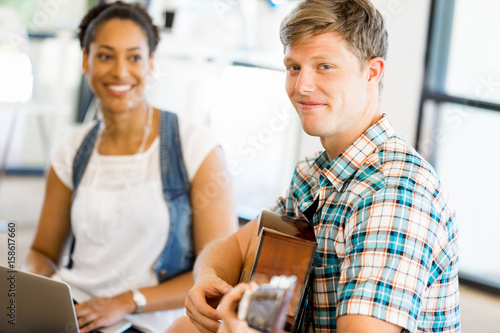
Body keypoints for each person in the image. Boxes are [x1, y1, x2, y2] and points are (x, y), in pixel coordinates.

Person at [181, 0, 460, 332]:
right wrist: (209, 278)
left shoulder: (393, 191)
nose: (302, 87)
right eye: (294, 67)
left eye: (324, 66)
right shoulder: (315, 173)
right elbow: (230, 246)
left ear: (372, 73)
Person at [21, 2, 238, 333]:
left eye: (134, 57)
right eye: (106, 56)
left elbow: (220, 275)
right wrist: (30, 288)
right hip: (76, 313)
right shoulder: (71, 149)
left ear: (150, 63)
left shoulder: (196, 147)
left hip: (150, 322)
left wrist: (127, 300)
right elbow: (42, 251)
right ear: (85, 61)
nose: (120, 72)